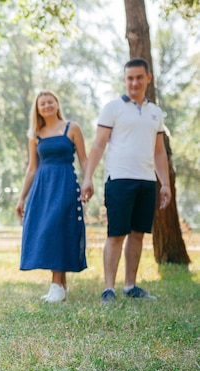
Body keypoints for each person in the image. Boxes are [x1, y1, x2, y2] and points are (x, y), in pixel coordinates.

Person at [80, 58, 171, 303]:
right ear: (124, 80)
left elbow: (160, 152)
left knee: (138, 234)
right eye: (129, 78)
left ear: (148, 78)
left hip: (146, 181)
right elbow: (98, 144)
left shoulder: (155, 113)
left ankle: (130, 286)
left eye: (139, 77)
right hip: (119, 179)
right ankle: (108, 288)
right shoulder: (113, 108)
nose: (134, 82)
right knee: (116, 234)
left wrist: (165, 183)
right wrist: (88, 177)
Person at [16, 91, 88, 302]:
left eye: (50, 102)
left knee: (59, 227)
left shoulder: (71, 128)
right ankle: (60, 286)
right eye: (42, 104)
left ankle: (56, 284)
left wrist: (88, 180)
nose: (46, 106)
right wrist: (22, 197)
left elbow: (84, 159)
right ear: (37, 109)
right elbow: (31, 168)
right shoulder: (35, 134)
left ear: (57, 103)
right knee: (48, 230)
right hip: (42, 187)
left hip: (65, 183)